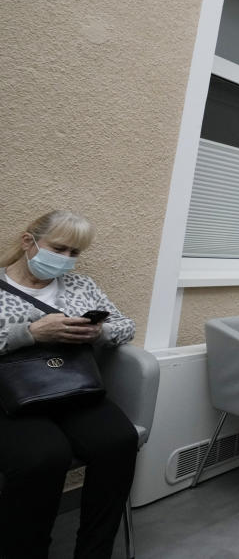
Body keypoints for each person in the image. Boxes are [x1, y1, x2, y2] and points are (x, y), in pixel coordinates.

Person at [0, 210, 138, 559]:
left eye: (74, 253)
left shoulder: (82, 285)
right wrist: (29, 333)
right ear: (28, 241)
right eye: (59, 249)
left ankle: (94, 551)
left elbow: (126, 326)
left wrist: (99, 331)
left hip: (73, 386)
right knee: (44, 456)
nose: (66, 260)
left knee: (120, 441)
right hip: (11, 395)